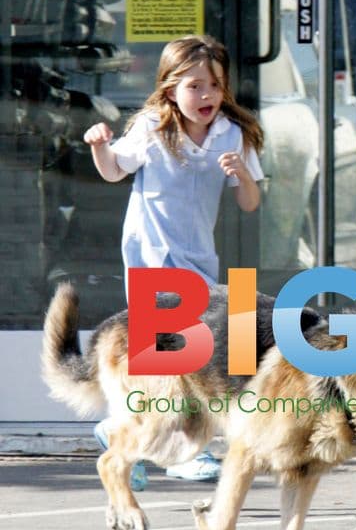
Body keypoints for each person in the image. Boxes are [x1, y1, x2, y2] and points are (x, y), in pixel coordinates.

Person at [84, 34, 264, 489]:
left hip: (198, 259)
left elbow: (249, 203)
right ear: (169, 89)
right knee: (168, 361)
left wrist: (241, 174)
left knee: (187, 360)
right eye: (195, 86)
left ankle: (121, 434)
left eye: (215, 86)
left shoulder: (231, 133)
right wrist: (100, 146)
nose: (207, 96)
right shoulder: (150, 127)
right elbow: (114, 170)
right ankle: (177, 454)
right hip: (149, 258)